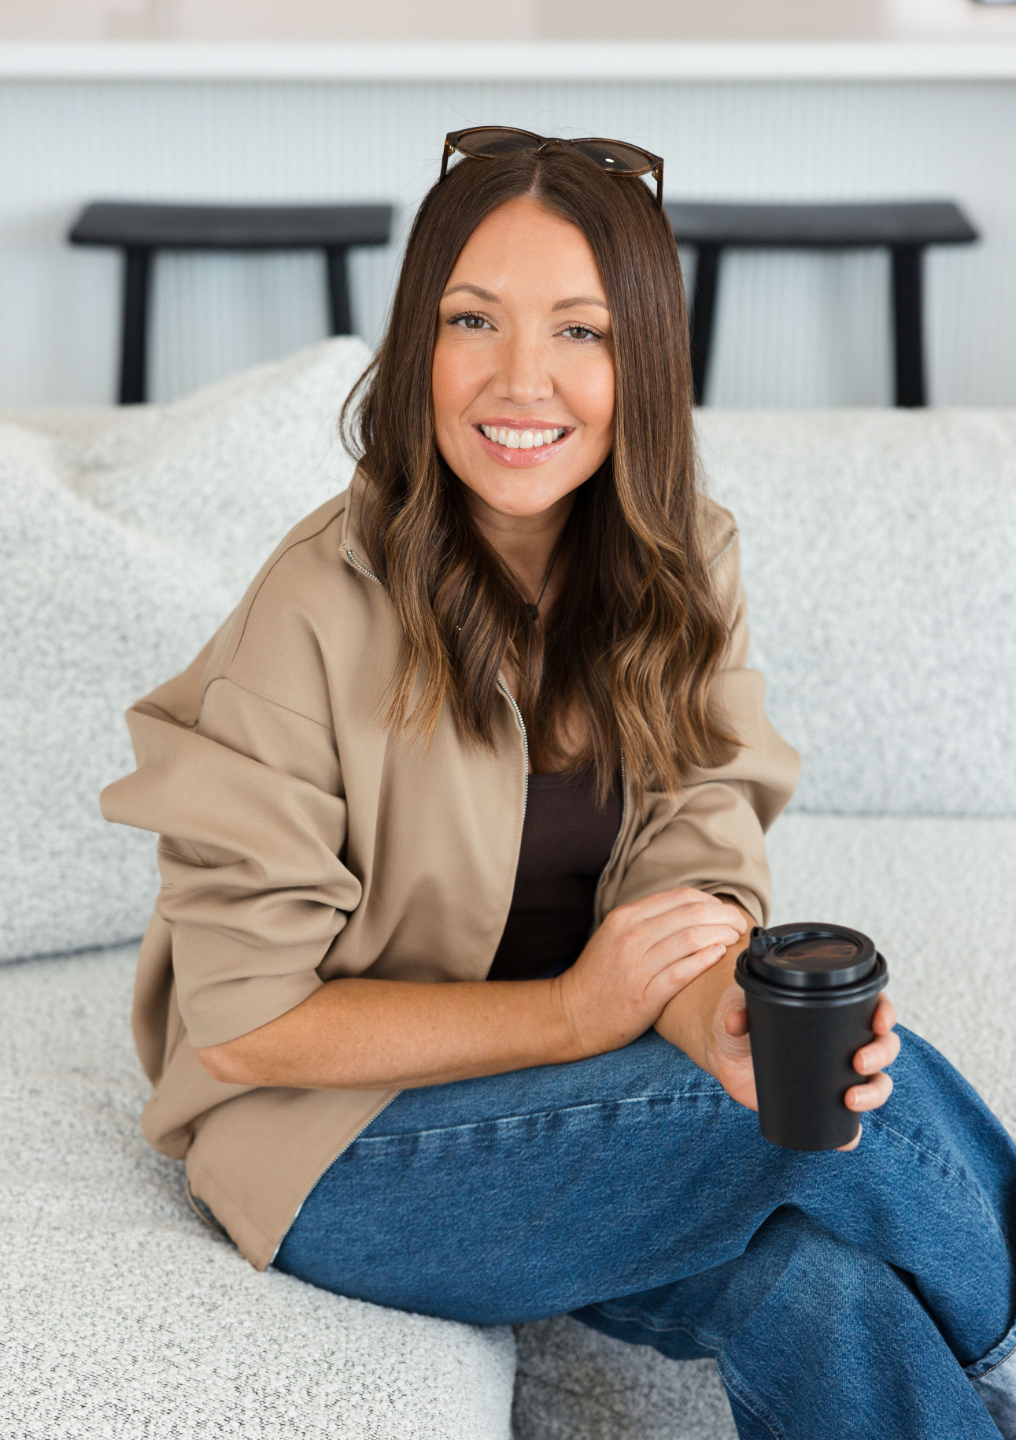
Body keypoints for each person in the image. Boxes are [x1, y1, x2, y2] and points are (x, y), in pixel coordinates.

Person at [100, 129, 1016, 1439]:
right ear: (416, 345)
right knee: (880, 1105)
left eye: (581, 330)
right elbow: (247, 1024)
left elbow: (695, 848)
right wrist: (575, 1013)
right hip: (334, 1149)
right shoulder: (313, 611)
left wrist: (707, 1017)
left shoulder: (680, 561)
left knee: (820, 1286)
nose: (521, 378)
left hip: (570, 1114)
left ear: (644, 362)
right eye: (473, 319)